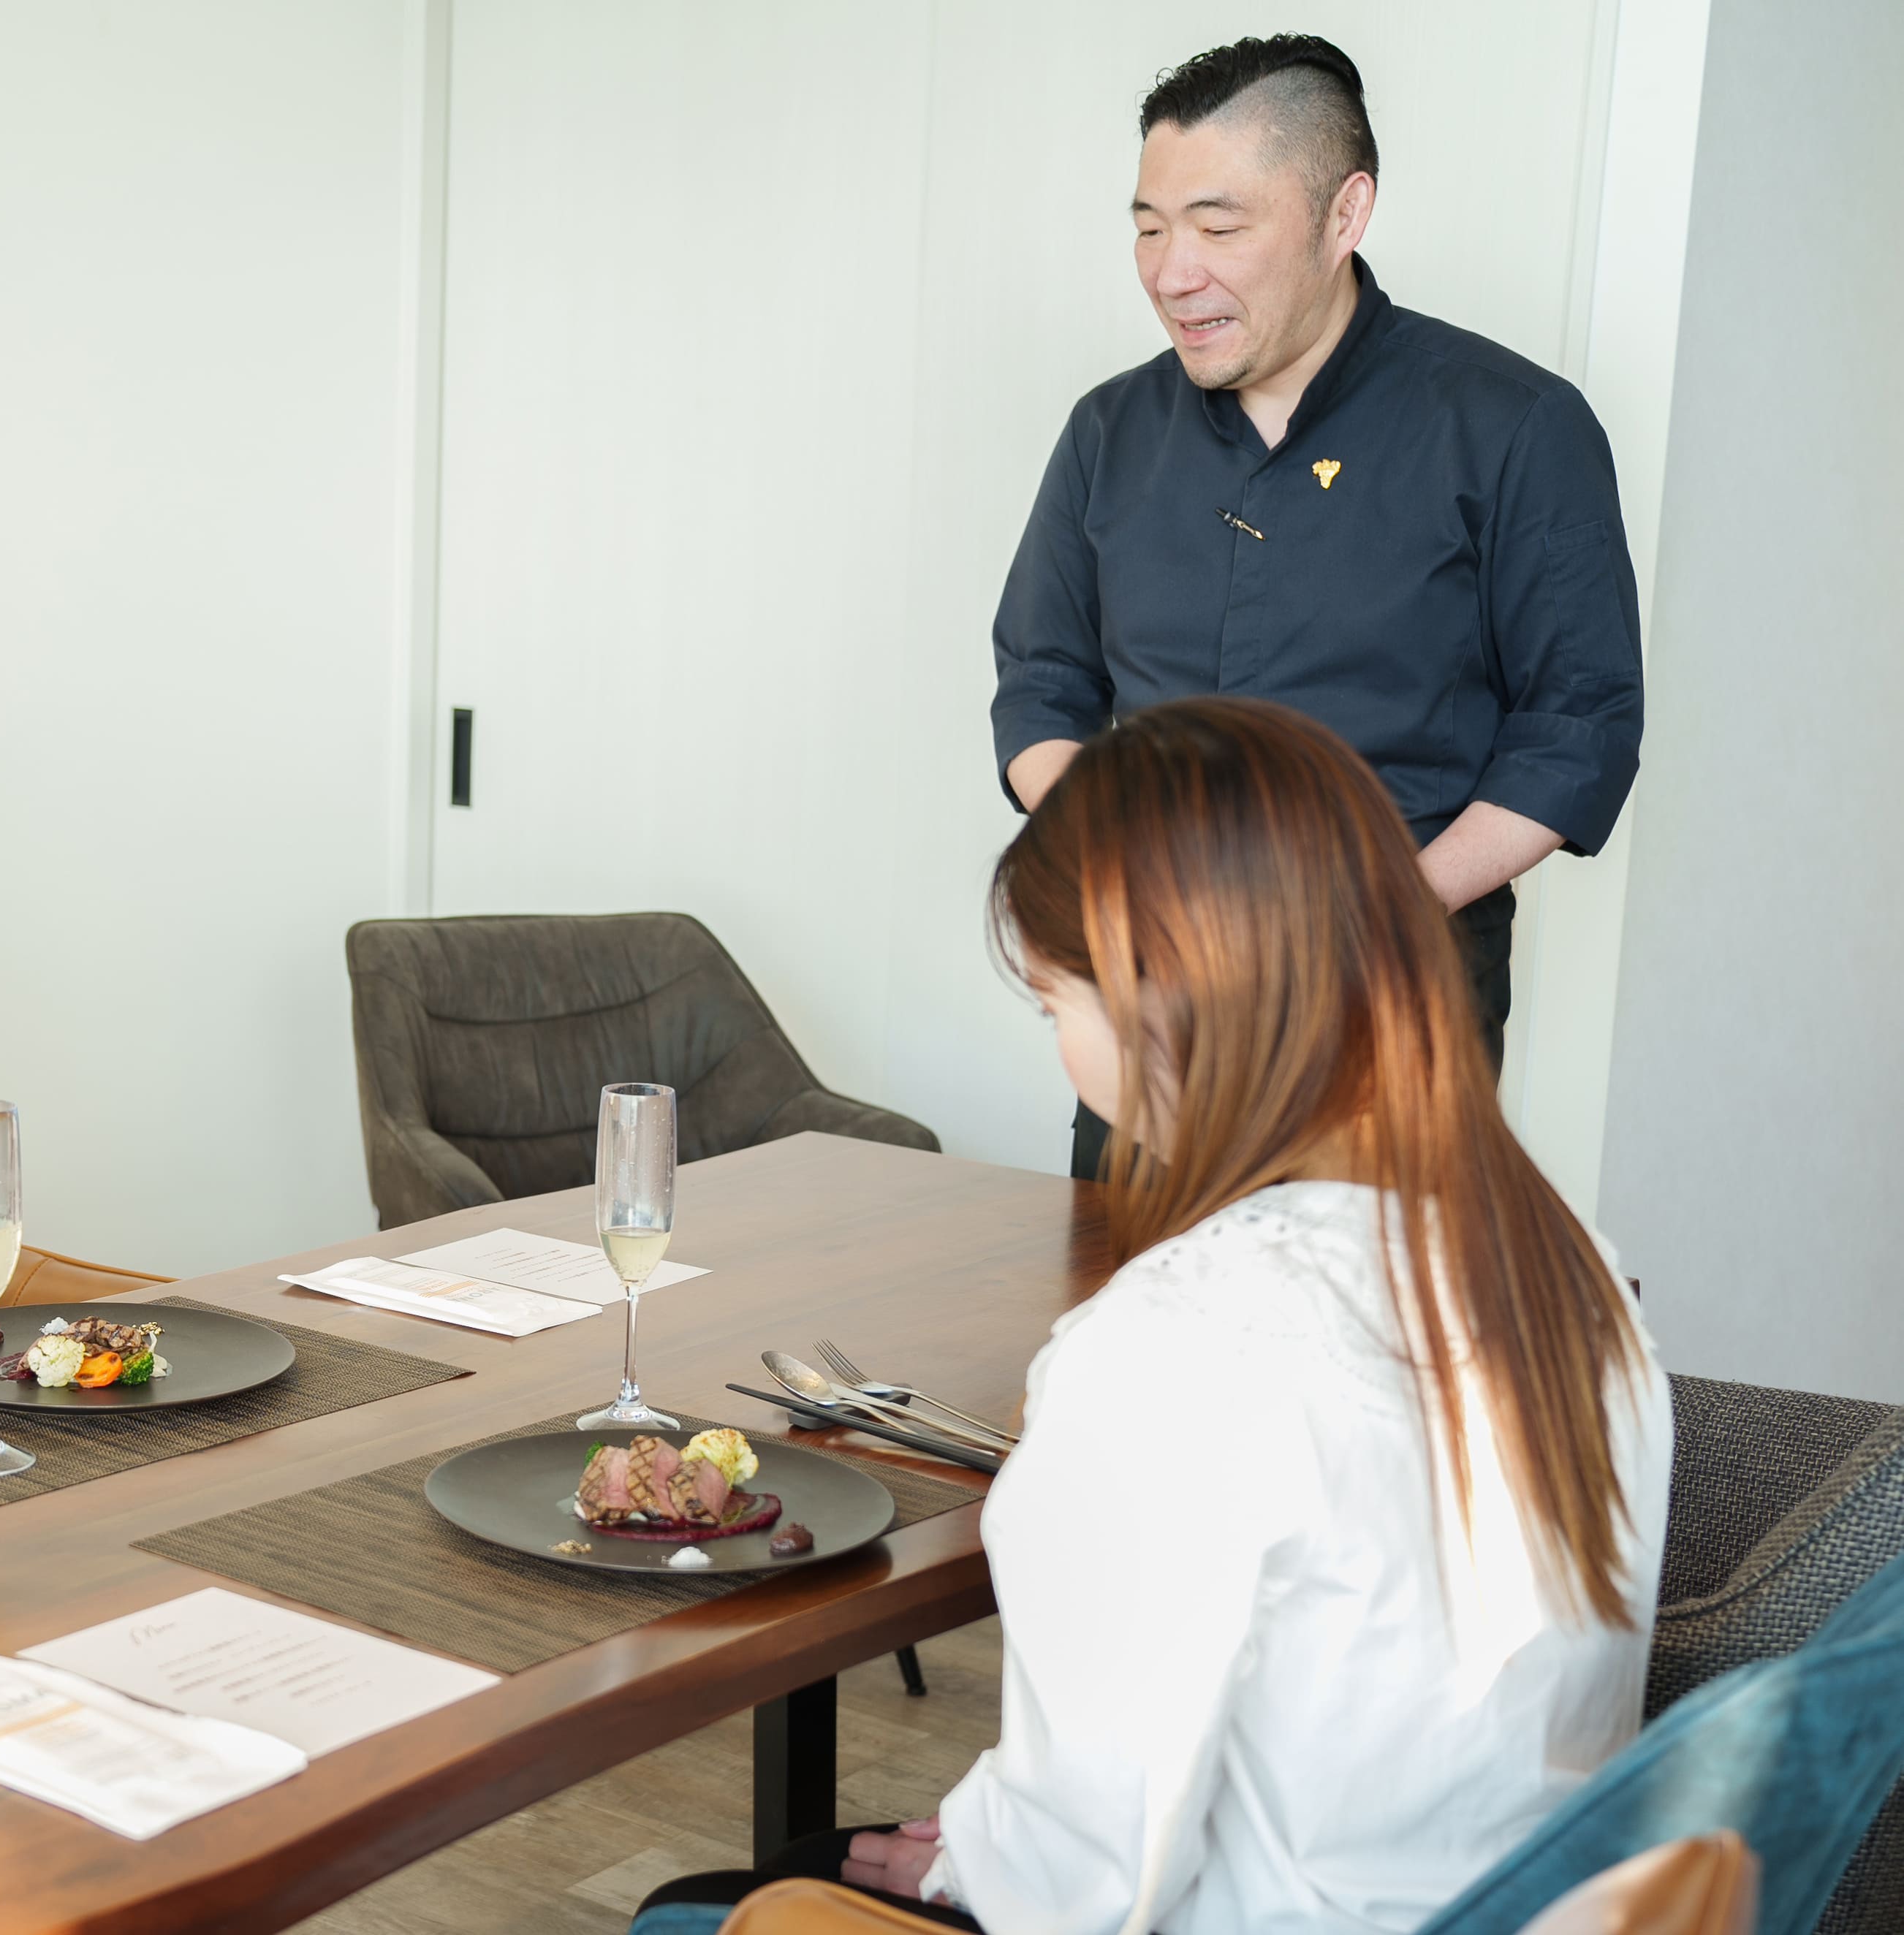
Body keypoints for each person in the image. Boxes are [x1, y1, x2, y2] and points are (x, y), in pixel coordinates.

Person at [638, 698, 1671, 1934]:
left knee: (692, 1910)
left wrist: (979, 1854)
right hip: (1510, 1901)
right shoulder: (1573, 1270)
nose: (1064, 1050)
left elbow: (1082, 1876)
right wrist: (995, 1830)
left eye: (1054, 1004)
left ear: (1159, 993)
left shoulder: (1183, 1340)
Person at [987, 37, 1643, 1179]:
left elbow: (1577, 725)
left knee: (1361, 1337)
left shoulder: (1515, 427)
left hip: (1395, 989)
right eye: (1148, 227)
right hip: (1155, 994)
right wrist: (1131, 862)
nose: (1170, 271)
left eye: (1218, 226)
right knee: (1132, 1321)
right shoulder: (1108, 433)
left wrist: (1376, 908)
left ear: (1345, 215)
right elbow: (1041, 682)